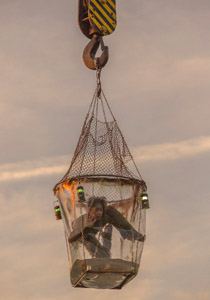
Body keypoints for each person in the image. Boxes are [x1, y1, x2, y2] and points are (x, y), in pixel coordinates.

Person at [68, 197, 146, 258]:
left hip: (104, 230)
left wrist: (131, 234)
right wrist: (87, 227)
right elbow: (71, 239)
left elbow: (120, 220)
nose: (99, 213)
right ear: (90, 211)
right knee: (104, 256)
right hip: (85, 236)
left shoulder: (105, 215)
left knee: (110, 210)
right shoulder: (82, 221)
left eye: (100, 210)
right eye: (96, 210)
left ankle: (130, 234)